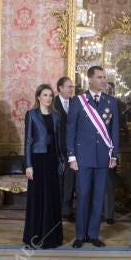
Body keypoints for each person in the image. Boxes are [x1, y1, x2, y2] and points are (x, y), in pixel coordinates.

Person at [66, 65, 120, 248]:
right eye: (99, 77)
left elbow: (114, 131)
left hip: (103, 157)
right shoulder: (78, 101)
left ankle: (93, 234)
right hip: (83, 157)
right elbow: (71, 130)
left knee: (98, 197)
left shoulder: (111, 101)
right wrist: (71, 157)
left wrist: (114, 155)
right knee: (83, 196)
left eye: (104, 77)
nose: (103, 80)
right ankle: (80, 235)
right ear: (90, 80)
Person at [23, 84, 64, 248]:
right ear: (38, 97)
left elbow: (58, 140)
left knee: (52, 197)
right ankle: (34, 236)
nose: (48, 98)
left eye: (50, 95)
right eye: (45, 95)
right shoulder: (31, 114)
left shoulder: (56, 116)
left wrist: (61, 160)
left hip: (52, 160)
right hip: (37, 160)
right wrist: (28, 165)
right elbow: (27, 141)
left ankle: (51, 238)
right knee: (38, 198)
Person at [55, 76, 76, 223]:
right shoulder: (53, 104)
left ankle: (67, 211)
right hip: (57, 151)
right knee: (58, 183)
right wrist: (59, 155)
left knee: (70, 182)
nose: (71, 89)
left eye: (72, 86)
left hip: (73, 151)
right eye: (68, 86)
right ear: (60, 88)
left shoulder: (75, 103)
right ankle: (56, 210)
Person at [103, 82, 125, 225]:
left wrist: (114, 152)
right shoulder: (85, 102)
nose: (105, 88)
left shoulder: (115, 103)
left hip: (108, 147)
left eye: (107, 87)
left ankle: (109, 214)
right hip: (90, 150)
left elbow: (119, 126)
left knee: (109, 183)